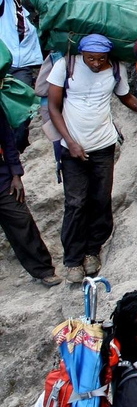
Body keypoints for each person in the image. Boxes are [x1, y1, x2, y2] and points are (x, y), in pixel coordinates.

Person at [47, 34, 137, 283]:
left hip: (103, 145)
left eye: (101, 59)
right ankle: (72, 260)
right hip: (72, 148)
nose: (96, 63)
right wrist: (70, 142)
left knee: (100, 199)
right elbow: (53, 107)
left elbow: (127, 98)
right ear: (81, 54)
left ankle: (93, 251)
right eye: (91, 58)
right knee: (76, 203)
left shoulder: (115, 69)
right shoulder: (65, 66)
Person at [0, 106, 62, 286]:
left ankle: (43, 270)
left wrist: (16, 174)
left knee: (22, 221)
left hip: (3, 179)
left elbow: (7, 140)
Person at [0, 0, 43, 152]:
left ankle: (16, 148)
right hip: (3, 60)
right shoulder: (3, 2)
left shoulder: (35, 6)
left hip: (24, 63)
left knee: (23, 107)